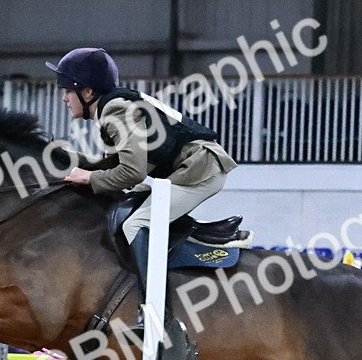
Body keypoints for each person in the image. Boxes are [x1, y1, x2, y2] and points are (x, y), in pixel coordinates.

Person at [46, 47, 237, 333]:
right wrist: (82, 166)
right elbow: (125, 167)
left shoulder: (115, 110)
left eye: (66, 90)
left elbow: (131, 172)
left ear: (87, 92)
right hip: (189, 168)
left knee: (136, 224)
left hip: (201, 171)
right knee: (131, 211)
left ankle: (155, 315)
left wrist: (88, 178)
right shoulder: (113, 106)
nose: (63, 98)